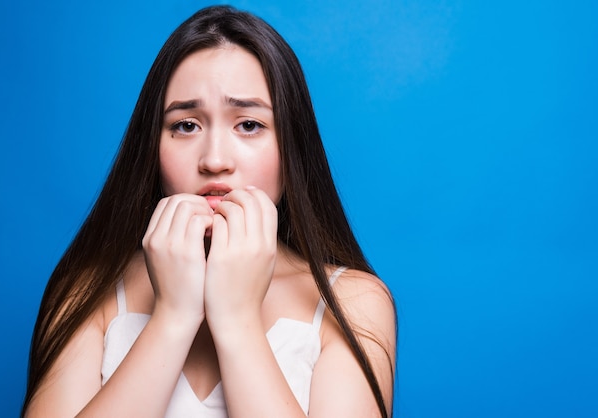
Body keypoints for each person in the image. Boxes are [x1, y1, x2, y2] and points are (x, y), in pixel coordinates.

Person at [22, 5, 396, 418]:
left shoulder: (355, 302)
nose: (215, 160)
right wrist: (172, 317)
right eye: (186, 125)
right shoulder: (86, 292)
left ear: (291, 149)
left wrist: (237, 320)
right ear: (152, 149)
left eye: (249, 124)